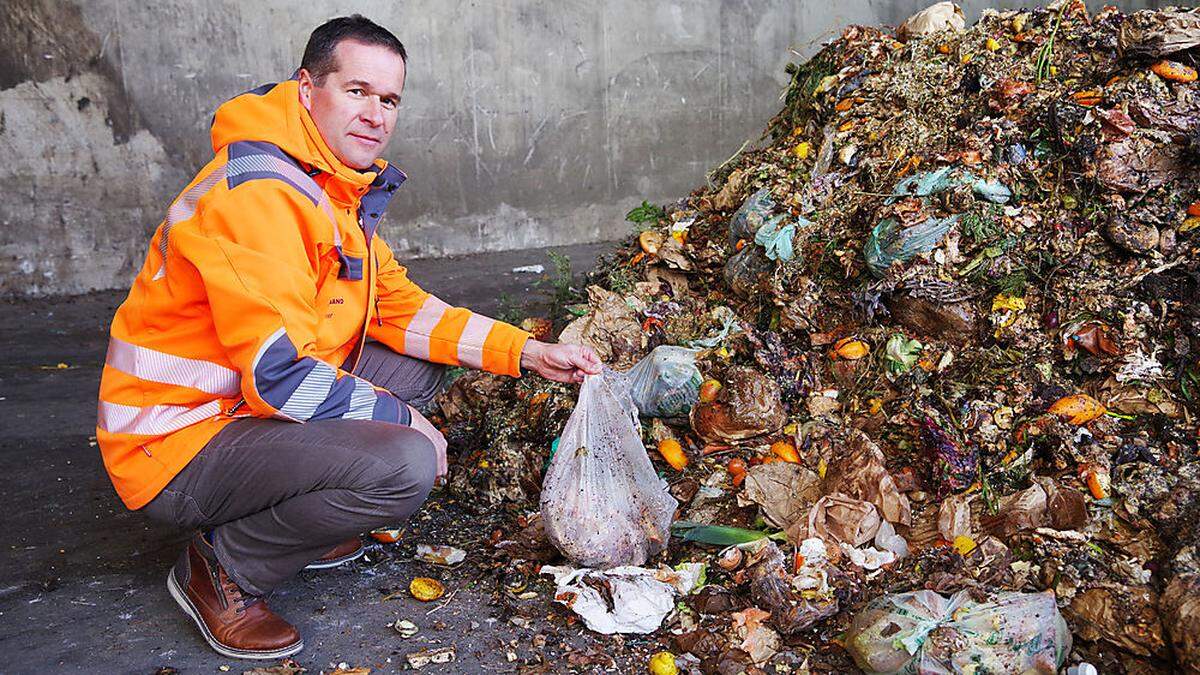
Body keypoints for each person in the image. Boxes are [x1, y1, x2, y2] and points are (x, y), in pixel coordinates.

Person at [95, 15, 600, 660]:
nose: (375, 115)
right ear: (307, 89)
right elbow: (280, 376)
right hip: (172, 444)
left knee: (418, 366)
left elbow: (403, 310)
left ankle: (305, 508)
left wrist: (527, 352)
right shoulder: (261, 196)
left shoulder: (329, 188)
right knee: (403, 464)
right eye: (356, 91)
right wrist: (403, 422)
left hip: (238, 409)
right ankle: (222, 570)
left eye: (389, 99)